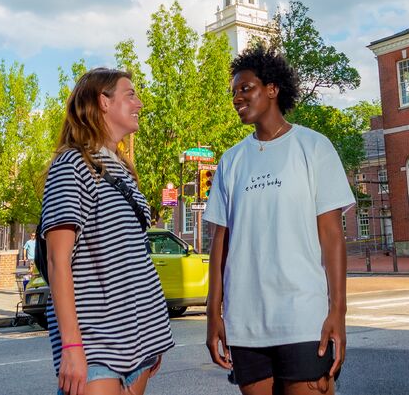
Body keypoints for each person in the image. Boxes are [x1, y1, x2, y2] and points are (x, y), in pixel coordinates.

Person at [204, 44, 355, 395]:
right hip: (246, 322)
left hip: (304, 317)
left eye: (246, 88)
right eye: (234, 92)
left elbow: (332, 236)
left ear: (272, 89)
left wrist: (338, 312)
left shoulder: (314, 147)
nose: (237, 97)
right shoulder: (231, 161)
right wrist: (214, 314)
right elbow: (219, 245)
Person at [41, 68, 172, 395]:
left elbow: (134, 254)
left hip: (140, 340)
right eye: (130, 94)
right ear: (103, 101)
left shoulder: (121, 168)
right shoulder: (71, 165)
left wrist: (151, 338)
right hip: (96, 343)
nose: (139, 102)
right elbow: (59, 261)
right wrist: (72, 348)